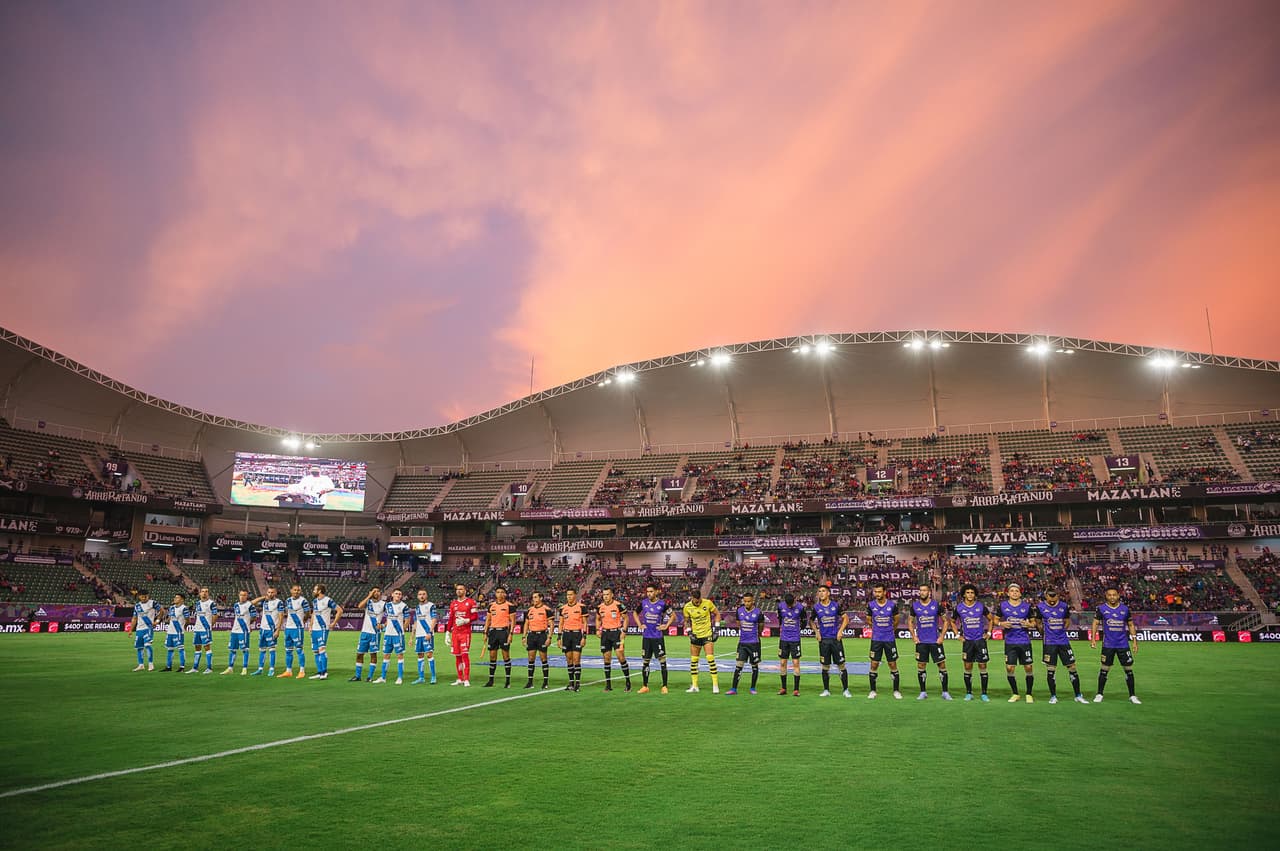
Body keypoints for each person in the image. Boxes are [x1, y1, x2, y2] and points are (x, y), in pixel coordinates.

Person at [1090, 587, 1140, 704]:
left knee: (1128, 669)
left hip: (1123, 644)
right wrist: (1093, 639)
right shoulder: (1101, 609)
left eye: (1114, 595)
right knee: (1104, 669)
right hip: (1108, 644)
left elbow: (1131, 625)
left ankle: (1132, 695)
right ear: (1106, 596)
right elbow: (1095, 623)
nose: (1112, 597)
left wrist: (1134, 642)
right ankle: (1099, 694)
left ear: (1118, 595)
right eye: (1109, 595)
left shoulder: (1125, 609)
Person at [1036, 587, 1086, 704]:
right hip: (1049, 643)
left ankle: (1078, 695)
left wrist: (1063, 630)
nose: (1052, 598)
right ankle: (1053, 696)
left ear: (1058, 595)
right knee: (1051, 669)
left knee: (1072, 667)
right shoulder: (1040, 607)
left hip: (1063, 641)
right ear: (1046, 596)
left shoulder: (1064, 606)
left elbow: (1067, 620)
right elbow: (1038, 622)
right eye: (1050, 596)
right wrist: (1043, 633)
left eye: (1054, 596)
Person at [910, 583, 950, 700]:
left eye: (924, 590)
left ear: (929, 592)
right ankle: (923, 692)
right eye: (920, 590)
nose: (922, 592)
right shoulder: (915, 606)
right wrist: (914, 636)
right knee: (921, 665)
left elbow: (946, 621)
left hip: (935, 641)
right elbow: (910, 621)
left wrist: (942, 636)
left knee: (942, 665)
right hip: (921, 642)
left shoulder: (936, 605)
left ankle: (945, 692)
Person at [953, 584, 993, 702]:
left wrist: (989, 633)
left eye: (972, 593)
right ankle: (969, 693)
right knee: (968, 666)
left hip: (980, 641)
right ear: (964, 594)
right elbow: (952, 622)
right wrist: (957, 635)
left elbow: (991, 619)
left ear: (975, 594)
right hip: (968, 642)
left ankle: (984, 693)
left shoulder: (980, 606)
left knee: (982, 666)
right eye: (968, 592)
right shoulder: (959, 608)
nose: (970, 594)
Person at [998, 583, 1035, 703]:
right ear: (1008, 593)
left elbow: (1034, 623)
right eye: (1012, 591)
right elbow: (995, 620)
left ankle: (1029, 694)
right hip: (1010, 642)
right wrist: (1001, 624)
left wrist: (1029, 624)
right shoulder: (1002, 606)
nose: (1014, 593)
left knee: (1028, 667)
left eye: (1016, 591)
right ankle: (1015, 693)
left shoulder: (1027, 606)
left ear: (1020, 593)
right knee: (1010, 668)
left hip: (1024, 641)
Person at [812, 585, 852, 698]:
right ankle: (826, 690)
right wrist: (816, 631)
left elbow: (846, 618)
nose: (821, 593)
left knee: (841, 665)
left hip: (835, 640)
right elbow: (811, 621)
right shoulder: (816, 607)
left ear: (828, 593)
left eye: (823, 591)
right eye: (819, 591)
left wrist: (840, 631)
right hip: (823, 641)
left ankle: (846, 690)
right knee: (825, 666)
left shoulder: (835, 605)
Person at [634, 584, 674, 694]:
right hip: (646, 637)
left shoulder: (662, 604)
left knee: (662, 661)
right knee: (645, 662)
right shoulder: (644, 603)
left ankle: (665, 686)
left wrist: (666, 626)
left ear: (656, 592)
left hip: (657, 637)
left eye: (651, 591)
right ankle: (645, 686)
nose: (649, 593)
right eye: (647, 591)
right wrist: (639, 624)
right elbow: (635, 613)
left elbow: (673, 615)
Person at [866, 583, 902, 699]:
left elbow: (896, 620)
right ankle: (872, 691)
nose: (877, 594)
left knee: (892, 664)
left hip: (889, 639)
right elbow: (869, 620)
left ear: (884, 592)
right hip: (876, 639)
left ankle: (896, 691)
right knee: (874, 664)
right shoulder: (871, 605)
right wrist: (877, 630)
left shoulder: (892, 605)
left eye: (879, 592)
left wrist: (890, 630)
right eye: (875, 592)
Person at [682, 587, 720, 694]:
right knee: (694, 661)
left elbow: (717, 614)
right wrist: (689, 632)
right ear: (692, 598)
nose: (698, 603)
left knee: (710, 659)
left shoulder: (707, 603)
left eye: (699, 601)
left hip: (707, 635)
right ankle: (694, 686)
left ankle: (715, 685)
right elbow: (686, 620)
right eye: (696, 601)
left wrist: (716, 630)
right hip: (696, 636)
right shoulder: (687, 607)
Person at [596, 588, 632, 692]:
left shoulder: (618, 605)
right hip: (605, 634)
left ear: (612, 595)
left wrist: (624, 631)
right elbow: (598, 619)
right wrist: (598, 629)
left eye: (607, 594)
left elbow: (626, 618)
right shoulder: (600, 607)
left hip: (616, 633)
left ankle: (628, 683)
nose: (605, 596)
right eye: (604, 594)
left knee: (620, 657)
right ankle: (608, 685)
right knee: (606, 659)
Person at [728, 592, 763, 695]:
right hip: (742, 643)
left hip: (754, 643)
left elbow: (761, 627)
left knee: (754, 666)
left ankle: (753, 688)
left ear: (753, 601)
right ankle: (734, 689)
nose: (747, 603)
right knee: (739, 665)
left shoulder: (758, 612)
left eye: (749, 601)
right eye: (745, 601)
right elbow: (739, 625)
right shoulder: (739, 611)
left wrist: (755, 634)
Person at [351, 587, 386, 683]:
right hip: (364, 632)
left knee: (373, 655)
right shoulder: (368, 602)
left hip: (375, 633)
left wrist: (383, 625)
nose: (376, 593)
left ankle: (370, 676)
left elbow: (391, 616)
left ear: (380, 593)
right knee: (359, 654)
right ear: (370, 592)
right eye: (374, 591)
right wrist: (369, 596)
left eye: (378, 591)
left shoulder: (383, 604)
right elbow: (359, 606)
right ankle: (357, 676)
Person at [446, 583, 478, 686]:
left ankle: (466, 679)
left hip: (465, 633)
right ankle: (460, 678)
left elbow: (475, 616)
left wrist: (466, 620)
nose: (459, 591)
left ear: (465, 591)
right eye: (457, 589)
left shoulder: (471, 602)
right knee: (457, 656)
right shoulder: (453, 603)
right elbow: (451, 618)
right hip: (455, 633)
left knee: (464, 655)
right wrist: (447, 632)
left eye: (461, 589)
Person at [308, 584, 342, 680]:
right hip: (314, 629)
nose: (313, 591)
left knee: (322, 650)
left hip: (323, 628)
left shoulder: (328, 600)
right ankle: (319, 672)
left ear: (319, 591)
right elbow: (314, 614)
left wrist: (334, 623)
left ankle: (324, 672)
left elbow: (339, 610)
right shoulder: (314, 601)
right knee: (315, 651)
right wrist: (310, 626)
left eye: (315, 589)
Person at [482, 587, 514, 688]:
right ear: (495, 594)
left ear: (505, 594)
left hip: (504, 632)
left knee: (506, 657)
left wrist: (511, 634)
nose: (500, 594)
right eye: (498, 592)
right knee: (492, 657)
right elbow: (488, 620)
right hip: (493, 632)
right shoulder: (491, 605)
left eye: (502, 592)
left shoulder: (510, 606)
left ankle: (507, 681)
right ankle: (491, 680)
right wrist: (485, 632)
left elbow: (513, 621)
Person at [250, 587, 286, 677]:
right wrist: (263, 597)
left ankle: (271, 669)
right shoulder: (265, 601)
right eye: (269, 592)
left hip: (271, 629)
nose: (270, 594)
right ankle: (260, 669)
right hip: (263, 629)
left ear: (275, 593)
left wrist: (278, 629)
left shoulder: (279, 602)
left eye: (272, 592)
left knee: (272, 650)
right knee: (262, 649)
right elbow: (251, 603)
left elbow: (281, 616)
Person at [279, 584, 311, 679]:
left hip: (297, 628)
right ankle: (288, 671)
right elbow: (286, 612)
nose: (296, 591)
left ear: (300, 591)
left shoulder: (303, 601)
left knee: (299, 649)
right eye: (295, 590)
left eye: (298, 590)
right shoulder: (288, 600)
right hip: (288, 628)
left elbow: (308, 612)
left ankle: (302, 671)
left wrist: (303, 621)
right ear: (291, 590)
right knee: (288, 650)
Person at [522, 591, 553, 690]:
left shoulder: (546, 609)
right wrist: (524, 636)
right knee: (531, 659)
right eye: (533, 597)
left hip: (542, 635)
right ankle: (530, 682)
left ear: (541, 598)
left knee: (543, 659)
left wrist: (549, 637)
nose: (534, 599)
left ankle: (545, 682)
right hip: (531, 635)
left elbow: (551, 624)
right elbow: (526, 623)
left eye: (535, 597)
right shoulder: (530, 610)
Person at [557, 589, 587, 692]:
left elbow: (584, 623)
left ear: (575, 595)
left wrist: (584, 637)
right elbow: (560, 623)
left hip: (577, 635)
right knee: (569, 660)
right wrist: (559, 637)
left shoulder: (581, 607)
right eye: (567, 595)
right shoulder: (563, 608)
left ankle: (577, 683)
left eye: (570, 595)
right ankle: (571, 683)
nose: (569, 596)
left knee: (576, 660)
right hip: (566, 635)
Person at [378, 589, 409, 684]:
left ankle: (400, 678)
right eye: (396, 593)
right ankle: (383, 677)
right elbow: (388, 619)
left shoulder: (404, 606)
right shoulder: (388, 605)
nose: (398, 595)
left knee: (399, 655)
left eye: (400, 594)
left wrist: (402, 630)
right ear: (392, 594)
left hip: (398, 635)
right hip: (388, 634)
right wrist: (383, 625)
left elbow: (407, 619)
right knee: (386, 655)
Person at [777, 593, 805, 696]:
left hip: (795, 639)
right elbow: (780, 618)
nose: (789, 606)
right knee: (783, 663)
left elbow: (804, 621)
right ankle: (783, 688)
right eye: (787, 604)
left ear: (795, 600)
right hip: (784, 639)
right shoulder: (780, 606)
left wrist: (797, 630)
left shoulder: (801, 608)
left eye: (791, 604)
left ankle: (796, 689)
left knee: (796, 663)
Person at [221, 590, 255, 675]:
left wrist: (248, 625)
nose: (242, 597)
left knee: (245, 649)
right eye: (241, 595)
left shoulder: (250, 605)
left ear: (247, 596)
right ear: (238, 595)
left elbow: (254, 617)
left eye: (244, 595)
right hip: (234, 631)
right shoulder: (236, 605)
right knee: (232, 649)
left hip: (243, 631)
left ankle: (244, 668)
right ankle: (230, 668)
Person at [186, 587, 217, 674]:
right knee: (197, 647)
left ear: (208, 593)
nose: (204, 593)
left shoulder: (211, 603)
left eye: (206, 592)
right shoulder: (197, 603)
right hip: (197, 628)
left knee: (207, 647)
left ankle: (209, 668)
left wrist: (210, 625)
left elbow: (215, 615)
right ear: (200, 593)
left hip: (205, 628)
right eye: (202, 591)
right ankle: (195, 668)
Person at [412, 588, 437, 684]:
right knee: (420, 654)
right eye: (420, 594)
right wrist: (411, 637)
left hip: (427, 634)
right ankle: (421, 678)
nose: (421, 596)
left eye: (423, 594)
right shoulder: (417, 607)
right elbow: (415, 622)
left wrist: (430, 632)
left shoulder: (431, 605)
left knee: (429, 654)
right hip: (418, 634)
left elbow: (434, 619)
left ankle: (433, 677)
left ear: (426, 595)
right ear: (417, 596)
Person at [130, 590, 158, 671]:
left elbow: (162, 611)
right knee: (139, 647)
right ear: (139, 597)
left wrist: (157, 621)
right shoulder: (137, 606)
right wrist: (131, 630)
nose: (144, 598)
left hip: (148, 628)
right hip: (139, 629)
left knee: (148, 645)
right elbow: (134, 618)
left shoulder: (153, 603)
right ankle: (141, 665)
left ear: (148, 596)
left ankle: (150, 664)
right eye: (142, 596)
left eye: (145, 596)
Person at [162, 593, 189, 672]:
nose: (175, 598)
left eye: (177, 597)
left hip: (178, 632)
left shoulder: (184, 608)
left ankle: (182, 667)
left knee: (180, 649)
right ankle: (168, 667)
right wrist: (166, 621)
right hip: (170, 632)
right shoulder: (172, 608)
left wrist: (184, 627)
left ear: (182, 600)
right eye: (175, 597)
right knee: (169, 649)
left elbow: (187, 620)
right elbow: (170, 618)